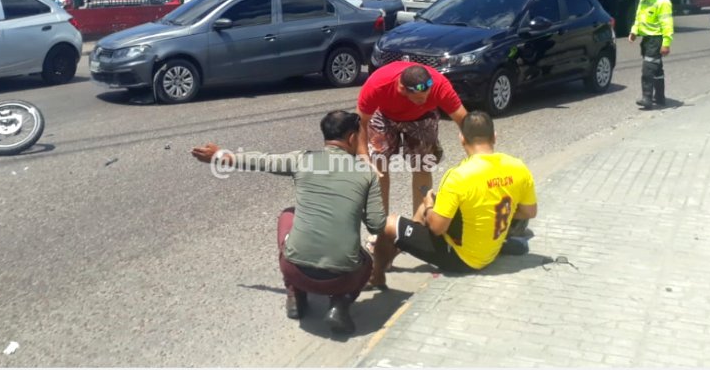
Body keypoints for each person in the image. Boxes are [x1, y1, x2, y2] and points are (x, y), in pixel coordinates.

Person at [190, 110, 383, 335]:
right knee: (366, 261)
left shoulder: (302, 159)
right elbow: (376, 225)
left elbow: (262, 161)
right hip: (343, 278)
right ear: (352, 138)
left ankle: (295, 294)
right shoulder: (366, 174)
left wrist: (220, 155)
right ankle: (340, 304)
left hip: (294, 270)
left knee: (287, 215)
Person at [370, 111, 536, 289]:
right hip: (491, 248)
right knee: (434, 202)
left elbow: (437, 228)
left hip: (464, 259)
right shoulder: (518, 167)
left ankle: (376, 276)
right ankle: (399, 246)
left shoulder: (458, 176)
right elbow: (529, 212)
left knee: (389, 224)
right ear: (494, 137)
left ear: (461, 138)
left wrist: (428, 206)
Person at [357, 62, 468, 215]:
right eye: (419, 98)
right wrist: (364, 158)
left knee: (423, 166)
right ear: (401, 89)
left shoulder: (439, 85)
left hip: (422, 117)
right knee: (378, 166)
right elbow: (360, 122)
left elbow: (463, 119)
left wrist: (475, 154)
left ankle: (418, 223)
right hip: (385, 115)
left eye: (427, 96)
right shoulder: (378, 84)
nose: (424, 99)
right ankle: (381, 226)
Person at [628, 0, 674, 110]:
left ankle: (647, 98)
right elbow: (638, 18)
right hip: (647, 40)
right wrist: (634, 31)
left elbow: (667, 24)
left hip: (657, 39)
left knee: (648, 69)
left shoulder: (662, 2)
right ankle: (660, 97)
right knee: (657, 70)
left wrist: (666, 43)